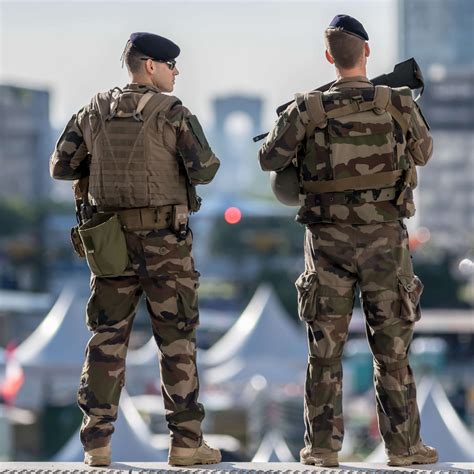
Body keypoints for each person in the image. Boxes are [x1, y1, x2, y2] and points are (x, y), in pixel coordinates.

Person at [258, 14, 437, 467]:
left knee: (324, 353)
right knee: (392, 350)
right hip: (386, 245)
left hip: (327, 245)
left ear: (328, 58)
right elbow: (424, 152)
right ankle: (405, 449)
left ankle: (321, 450)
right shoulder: (397, 102)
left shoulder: (308, 108)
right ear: (367, 54)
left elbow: (269, 159)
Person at [50, 32, 221, 467]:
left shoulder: (93, 110)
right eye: (170, 65)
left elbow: (61, 166)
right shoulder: (173, 112)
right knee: (176, 340)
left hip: (110, 243)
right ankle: (186, 444)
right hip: (165, 243)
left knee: (107, 340)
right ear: (150, 66)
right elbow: (204, 169)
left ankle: (97, 444)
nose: (176, 72)